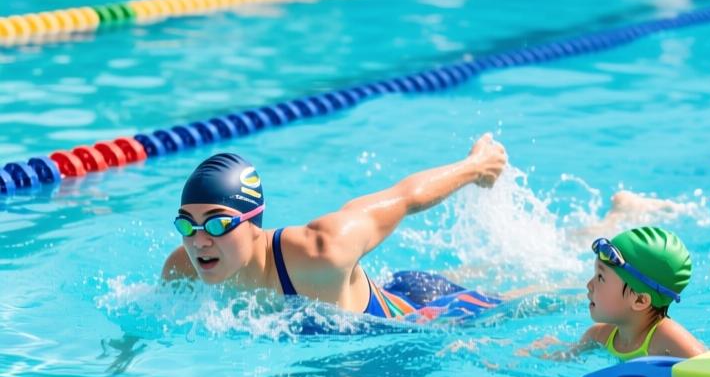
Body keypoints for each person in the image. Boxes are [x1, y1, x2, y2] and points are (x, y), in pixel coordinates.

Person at [163, 135, 510, 324]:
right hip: (388, 284)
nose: (200, 241)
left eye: (218, 223)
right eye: (187, 224)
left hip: (428, 312)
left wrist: (477, 166)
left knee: (525, 299)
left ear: (254, 223)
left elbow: (404, 198)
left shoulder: (321, 250)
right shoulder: (182, 269)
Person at [532, 226, 705, 359]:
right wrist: (543, 352)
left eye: (600, 278)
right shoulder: (599, 336)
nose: (589, 285)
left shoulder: (670, 341)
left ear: (639, 300)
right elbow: (561, 358)